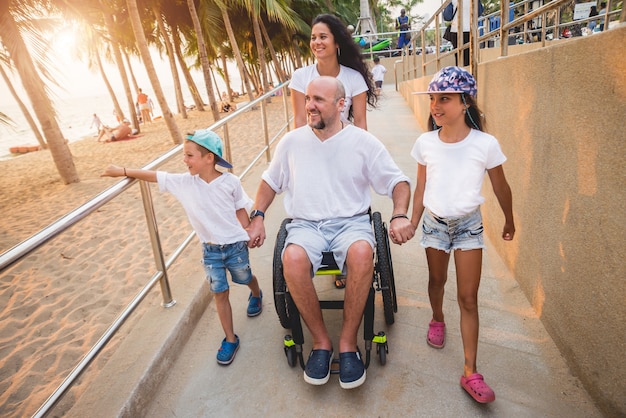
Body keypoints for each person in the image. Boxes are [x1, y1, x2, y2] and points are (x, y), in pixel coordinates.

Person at [247, 77, 414, 389]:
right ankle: (322, 342)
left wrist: (400, 214)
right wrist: (257, 216)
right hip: (306, 225)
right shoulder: (292, 142)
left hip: (351, 223)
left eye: (319, 100)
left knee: (363, 253)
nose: (310, 105)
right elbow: (270, 182)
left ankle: (348, 343)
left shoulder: (363, 142)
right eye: (308, 98)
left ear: (341, 104)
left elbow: (398, 182)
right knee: (292, 258)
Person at [100, 129, 263, 366]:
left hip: (236, 245)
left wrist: (249, 231)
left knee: (244, 276)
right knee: (220, 293)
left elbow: (240, 209)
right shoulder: (184, 183)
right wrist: (122, 171)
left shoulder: (231, 182)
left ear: (209, 158)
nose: (184, 160)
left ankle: (256, 293)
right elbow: (154, 175)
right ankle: (230, 338)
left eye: (189, 155)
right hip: (210, 251)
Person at [410, 67, 515, 403]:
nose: (436, 105)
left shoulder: (485, 144)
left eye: (445, 98)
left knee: (469, 298)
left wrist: (509, 219)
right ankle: (437, 317)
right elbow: (420, 186)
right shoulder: (425, 142)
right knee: (437, 281)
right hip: (435, 225)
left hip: (469, 226)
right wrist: (412, 221)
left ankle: (470, 372)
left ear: (465, 102)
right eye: (433, 99)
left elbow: (500, 185)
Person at [289, 14, 377, 130]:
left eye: (323, 37)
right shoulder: (300, 77)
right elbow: (299, 122)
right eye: (313, 38)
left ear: (337, 43)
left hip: (344, 145)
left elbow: (360, 124)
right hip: (312, 145)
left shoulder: (355, 78)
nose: (317, 42)